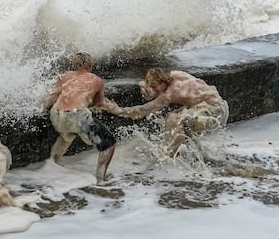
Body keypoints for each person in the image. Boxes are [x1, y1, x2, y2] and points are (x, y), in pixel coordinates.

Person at [102, 67, 228, 158]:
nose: (154, 90)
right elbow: (157, 88)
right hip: (221, 107)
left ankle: (169, 155)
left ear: (162, 81)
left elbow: (142, 110)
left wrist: (116, 109)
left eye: (155, 86)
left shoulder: (169, 94)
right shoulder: (177, 75)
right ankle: (199, 153)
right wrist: (147, 87)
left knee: (173, 119)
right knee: (183, 117)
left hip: (213, 114)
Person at [42, 52, 116, 181]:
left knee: (67, 135)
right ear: (91, 65)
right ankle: (100, 179)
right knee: (109, 145)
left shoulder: (63, 76)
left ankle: (52, 167)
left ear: (74, 64)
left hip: (56, 115)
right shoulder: (97, 80)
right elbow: (99, 102)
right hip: (77, 116)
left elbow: (50, 99)